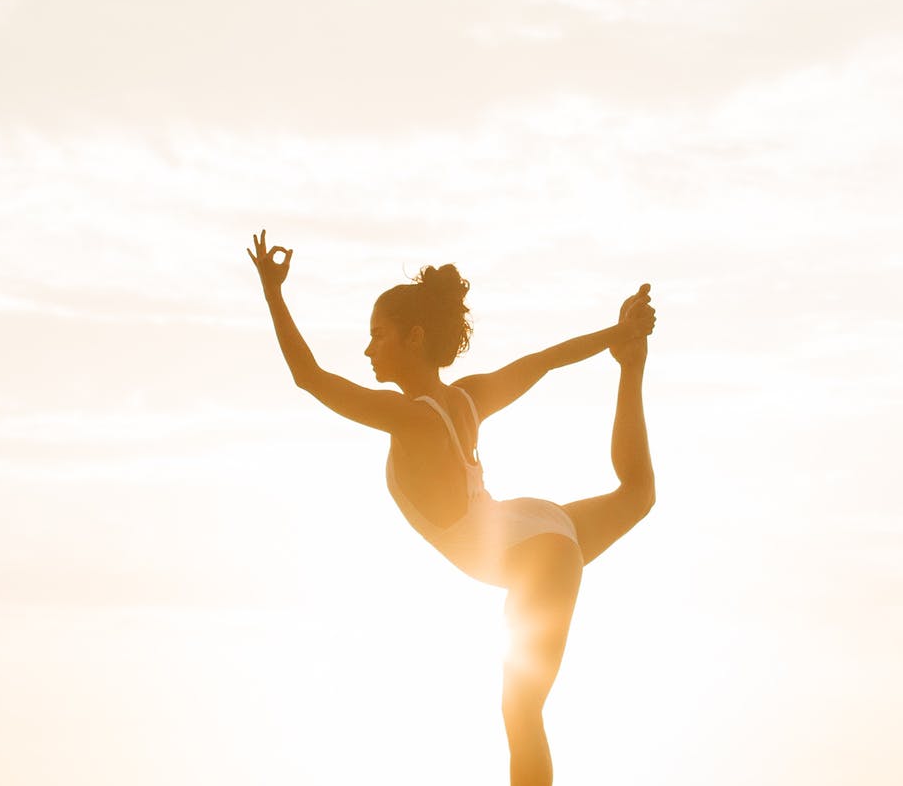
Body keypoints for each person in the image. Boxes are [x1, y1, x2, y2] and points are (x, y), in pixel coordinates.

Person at [251, 229, 657, 786]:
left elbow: (309, 378)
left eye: (378, 336)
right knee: (637, 495)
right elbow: (543, 361)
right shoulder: (465, 398)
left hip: (533, 549)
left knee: (520, 711)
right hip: (533, 525)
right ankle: (632, 368)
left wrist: (273, 294)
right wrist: (621, 336)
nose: (368, 349)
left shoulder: (413, 418)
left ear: (414, 338)